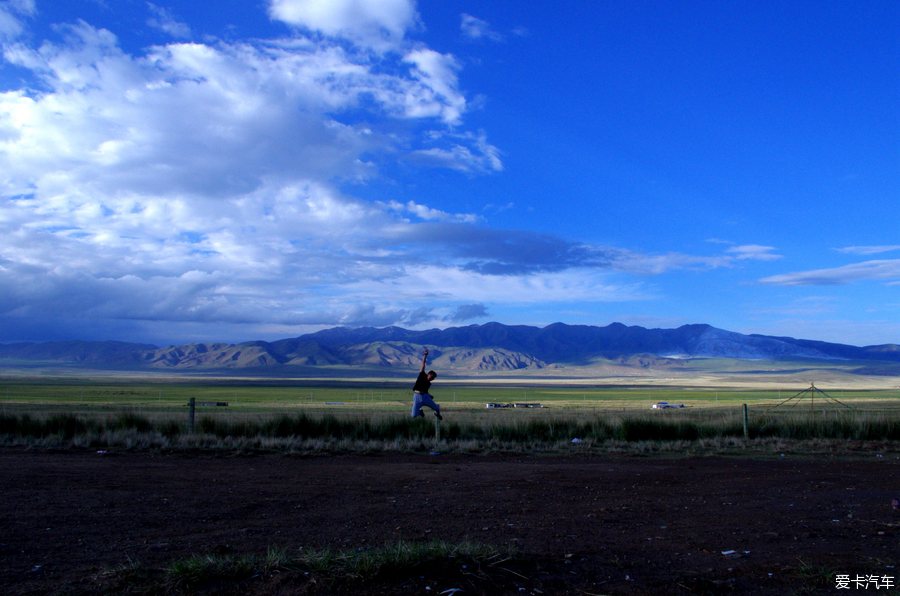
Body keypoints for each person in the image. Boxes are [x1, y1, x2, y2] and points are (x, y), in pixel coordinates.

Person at [411, 348, 441, 420]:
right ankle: (420, 411)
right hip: (417, 396)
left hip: (425, 397)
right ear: (429, 374)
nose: (432, 379)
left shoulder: (429, 384)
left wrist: (429, 395)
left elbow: (425, 391)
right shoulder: (422, 375)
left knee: (436, 408)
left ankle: (437, 413)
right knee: (414, 415)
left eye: (433, 378)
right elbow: (423, 364)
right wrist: (425, 355)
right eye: (432, 377)